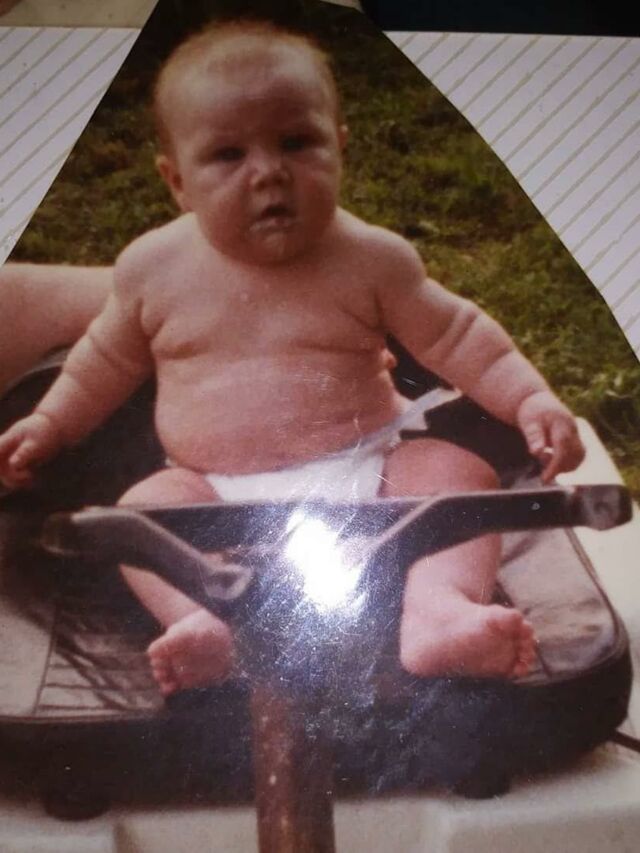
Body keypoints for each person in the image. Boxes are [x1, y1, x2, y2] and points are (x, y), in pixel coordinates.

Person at [0, 20, 585, 696]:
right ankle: (199, 622)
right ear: (177, 181)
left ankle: (438, 610)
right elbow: (101, 362)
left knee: (458, 473)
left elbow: (459, 336)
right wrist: (50, 426)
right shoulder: (152, 270)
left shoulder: (372, 259)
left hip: (371, 478)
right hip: (212, 494)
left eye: (296, 142)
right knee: (142, 512)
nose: (269, 172)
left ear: (340, 147)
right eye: (228, 155)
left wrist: (531, 399)